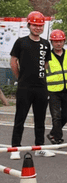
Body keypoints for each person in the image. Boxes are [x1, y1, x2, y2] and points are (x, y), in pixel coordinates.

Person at [9, 11, 52, 160]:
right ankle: (15, 148)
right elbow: (13, 61)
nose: (37, 28)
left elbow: (45, 64)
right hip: (24, 87)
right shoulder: (21, 42)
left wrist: (39, 75)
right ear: (29, 25)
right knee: (20, 118)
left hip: (41, 87)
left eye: (40, 25)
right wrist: (20, 77)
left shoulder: (46, 44)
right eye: (35, 25)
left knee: (40, 119)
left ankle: (39, 147)